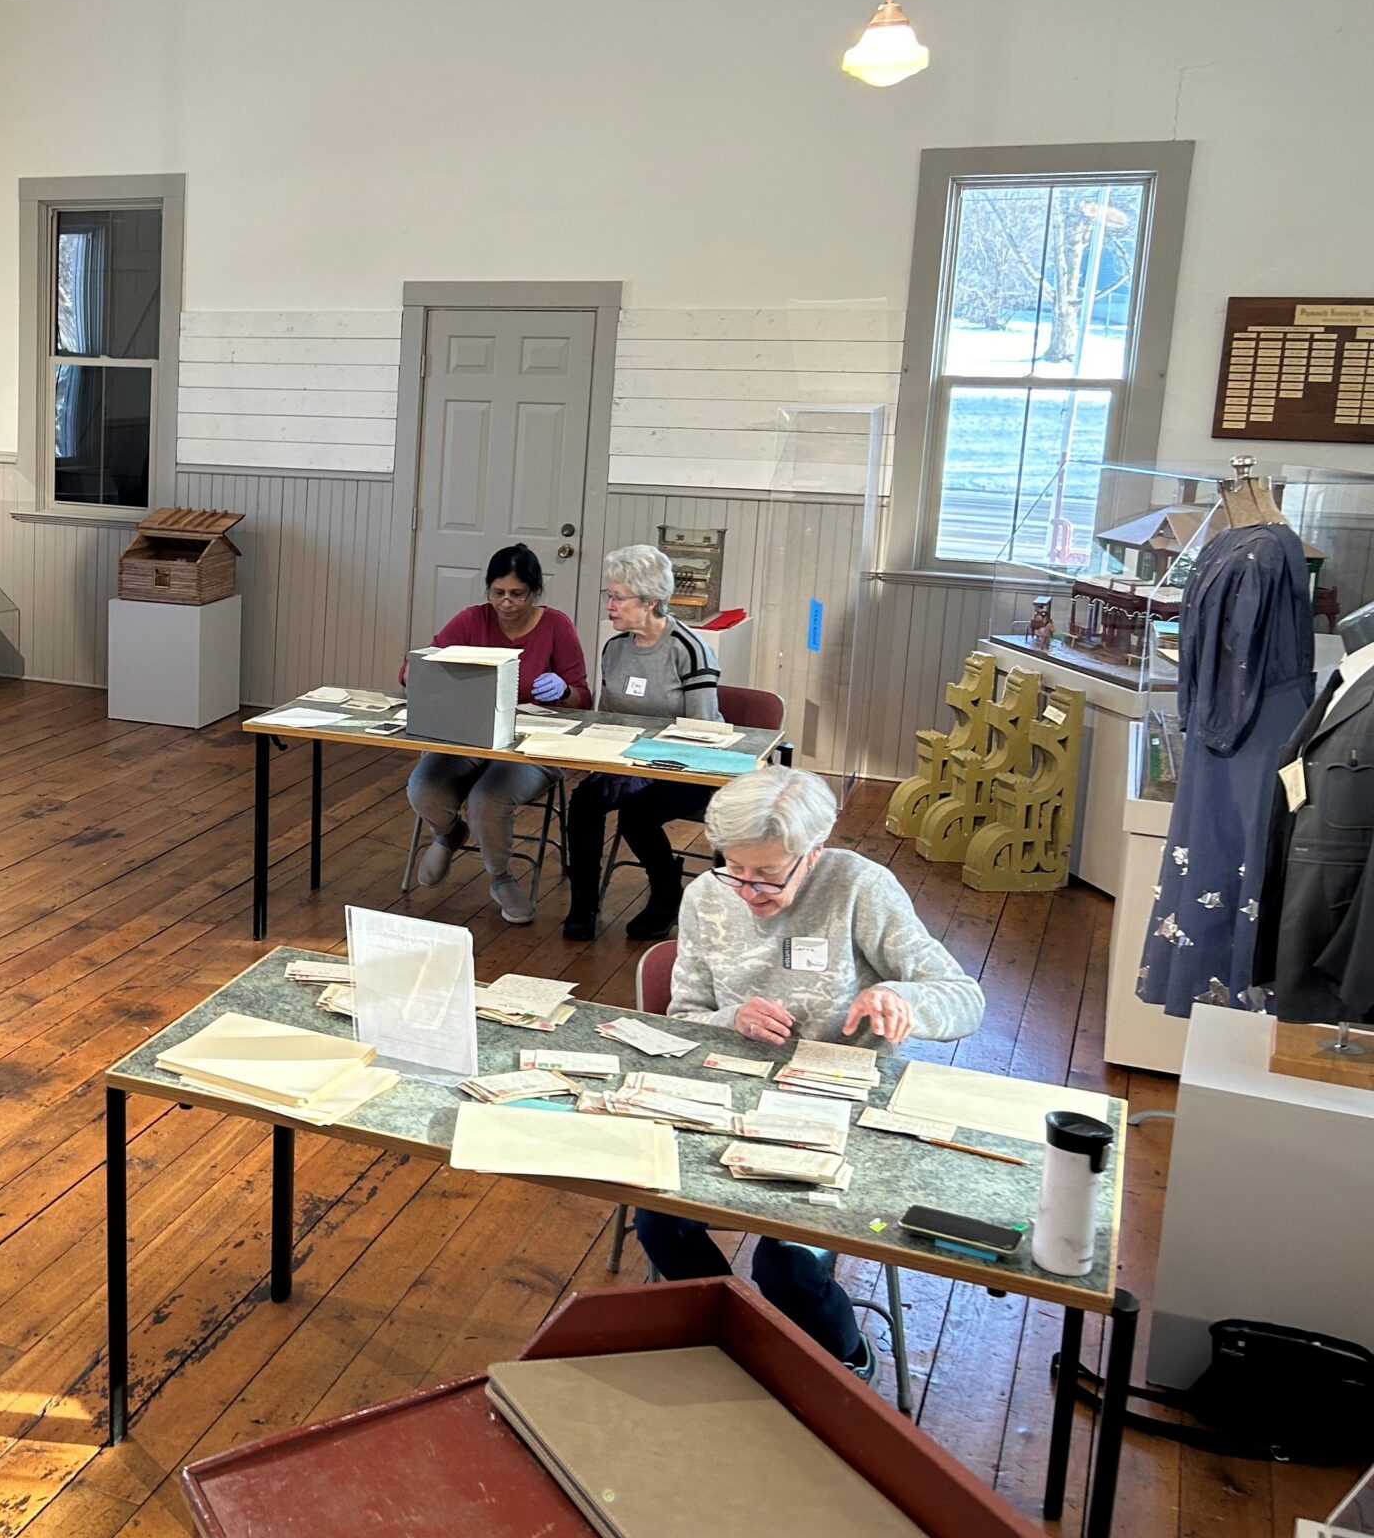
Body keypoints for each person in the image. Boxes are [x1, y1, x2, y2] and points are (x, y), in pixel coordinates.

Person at [632, 766, 983, 1375]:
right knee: (660, 1224)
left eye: (768, 874)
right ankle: (738, 1335)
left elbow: (964, 996)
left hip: (840, 1106)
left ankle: (847, 1361)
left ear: (812, 851)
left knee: (786, 1264)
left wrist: (904, 1001)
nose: (748, 890)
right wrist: (732, 1018)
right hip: (729, 1094)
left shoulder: (859, 886)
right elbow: (683, 1016)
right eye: (734, 869)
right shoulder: (706, 896)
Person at [404, 542, 588, 923]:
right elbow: (420, 664)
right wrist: (420, 673)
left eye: (518, 594)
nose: (507, 603)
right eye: (498, 593)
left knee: (488, 799)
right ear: (488, 590)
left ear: (535, 592)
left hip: (533, 745)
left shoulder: (556, 626)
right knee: (423, 788)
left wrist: (565, 691)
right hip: (472, 736)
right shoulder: (472, 620)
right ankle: (450, 834)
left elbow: (584, 698)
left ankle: (501, 877)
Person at [562, 543, 722, 942]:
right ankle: (583, 902)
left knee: (637, 813)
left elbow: (702, 731)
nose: (610, 606)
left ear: (650, 601)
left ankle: (666, 892)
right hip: (628, 763)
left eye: (618, 598)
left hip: (689, 767)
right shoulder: (615, 648)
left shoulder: (688, 650)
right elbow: (605, 717)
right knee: (584, 804)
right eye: (609, 596)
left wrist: (647, 761)